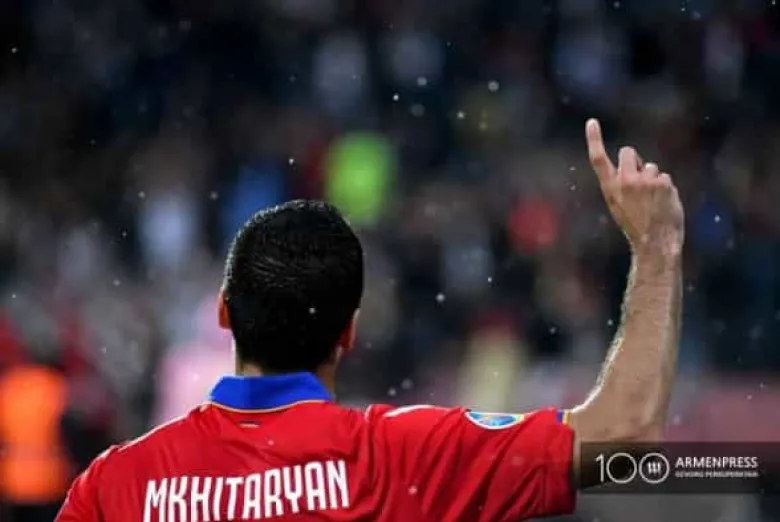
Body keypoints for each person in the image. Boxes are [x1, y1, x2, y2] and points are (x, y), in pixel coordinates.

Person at [56, 119, 684, 522]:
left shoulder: (115, 486)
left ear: (224, 314)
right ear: (349, 333)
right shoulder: (402, 459)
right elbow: (621, 434)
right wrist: (655, 249)